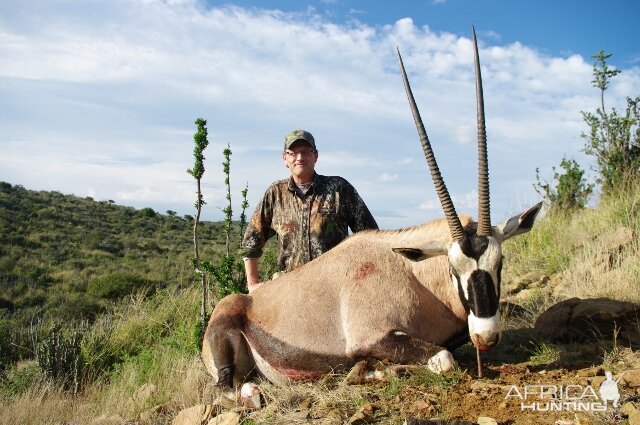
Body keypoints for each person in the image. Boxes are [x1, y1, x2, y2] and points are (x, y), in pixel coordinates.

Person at [240, 129, 378, 292]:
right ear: (285, 158)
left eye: (305, 152)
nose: (299, 157)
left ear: (315, 156)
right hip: (289, 289)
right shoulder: (275, 193)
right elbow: (251, 242)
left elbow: (370, 237)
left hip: (334, 288)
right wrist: (252, 283)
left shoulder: (339, 188)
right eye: (293, 153)